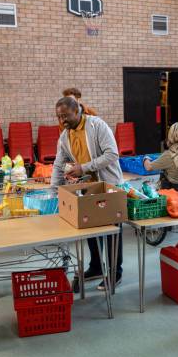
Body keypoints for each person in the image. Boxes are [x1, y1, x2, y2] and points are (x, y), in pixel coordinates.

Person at [51, 97, 124, 291]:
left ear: (77, 111)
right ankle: (96, 267)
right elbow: (59, 164)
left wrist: (83, 168)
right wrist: (54, 191)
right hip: (88, 188)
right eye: (59, 117)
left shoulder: (97, 125)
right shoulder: (65, 136)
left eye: (65, 116)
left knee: (111, 232)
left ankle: (115, 272)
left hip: (109, 186)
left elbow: (112, 154)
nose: (62, 121)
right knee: (89, 229)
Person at [143, 123, 178, 194]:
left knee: (162, 174)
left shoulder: (169, 154)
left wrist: (145, 158)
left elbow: (148, 167)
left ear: (170, 135)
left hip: (174, 191)